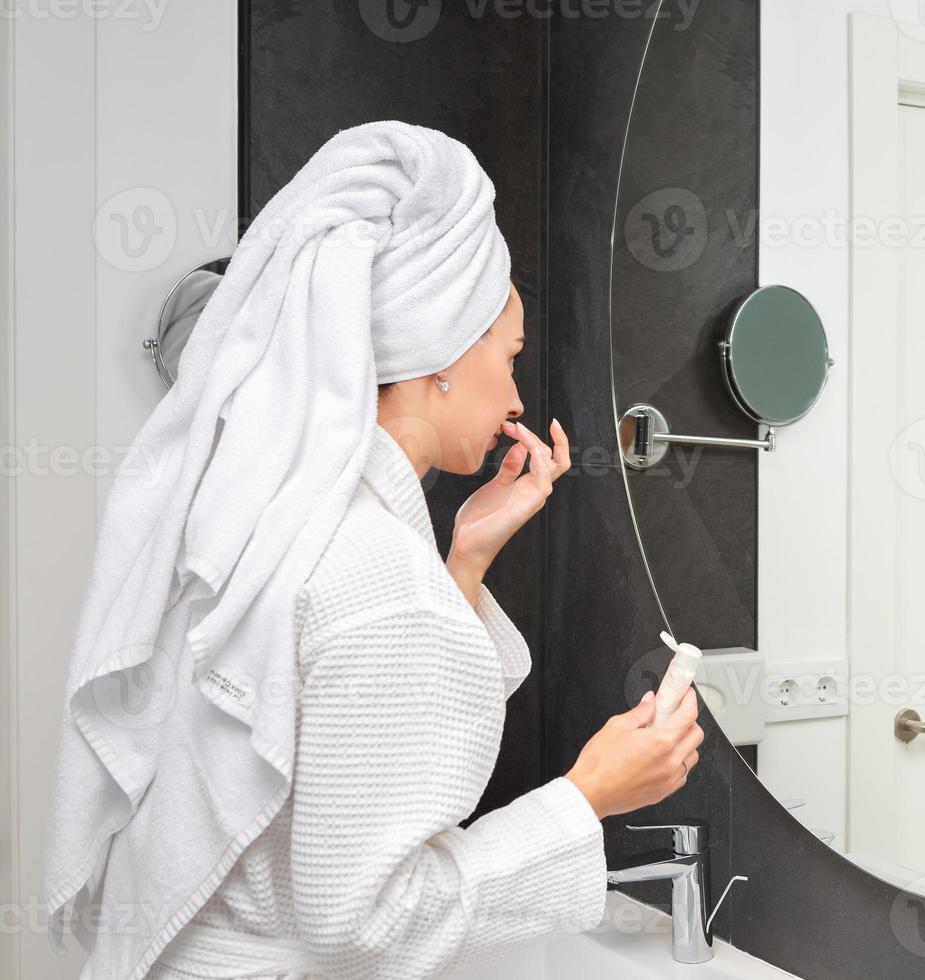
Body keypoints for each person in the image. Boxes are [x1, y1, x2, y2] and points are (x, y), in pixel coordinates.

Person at [42, 121, 702, 980]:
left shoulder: (277, 514)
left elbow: (330, 734)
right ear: (440, 356)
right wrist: (588, 797)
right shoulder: (377, 573)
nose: (514, 392)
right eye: (508, 357)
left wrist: (463, 561)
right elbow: (366, 923)